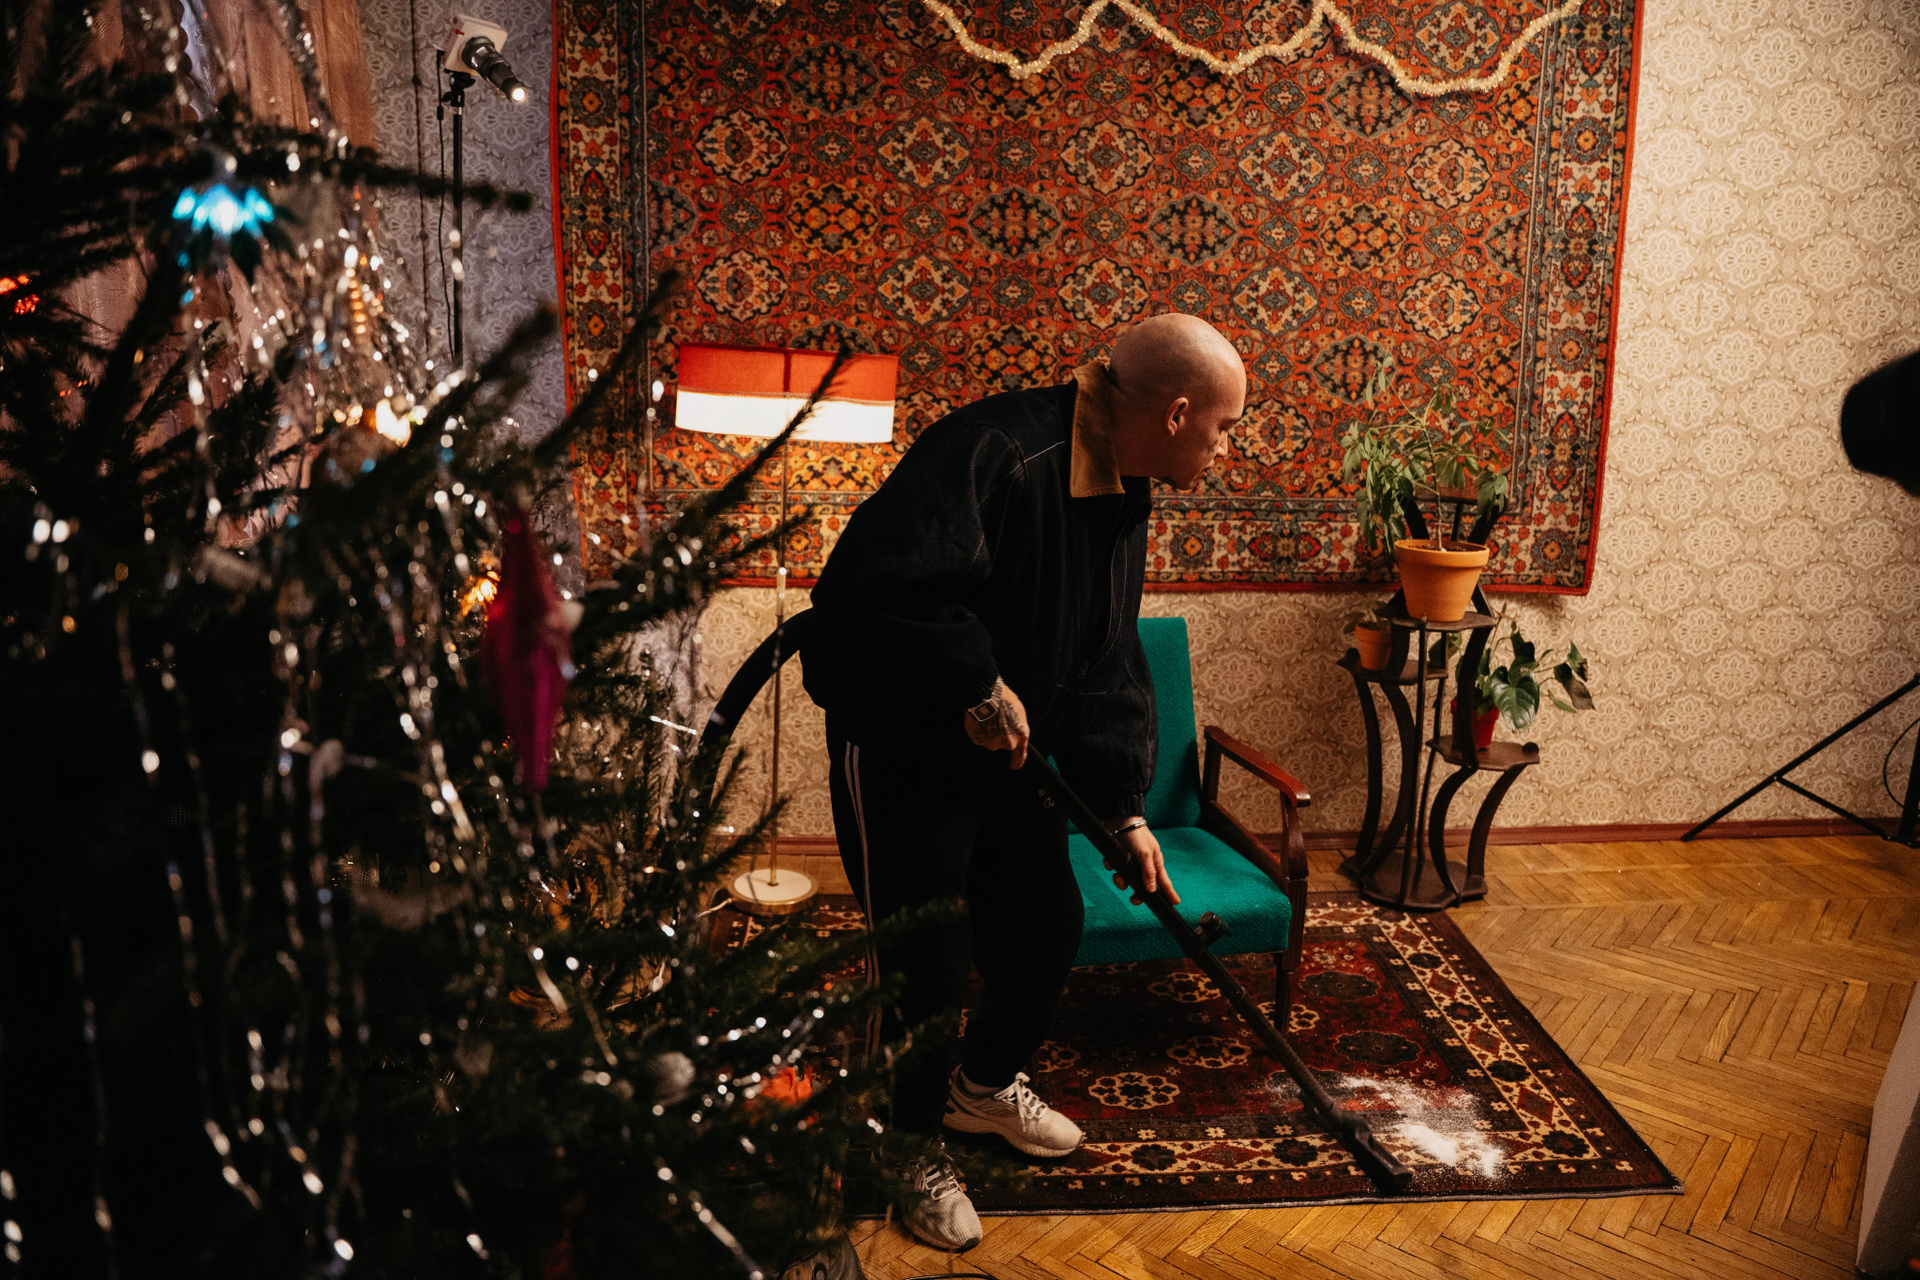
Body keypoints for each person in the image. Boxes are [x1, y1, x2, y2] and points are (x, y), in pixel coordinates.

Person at [800, 313, 1246, 1249]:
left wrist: (1123, 809)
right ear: (1176, 413)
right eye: (1224, 426)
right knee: (926, 962)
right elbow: (865, 592)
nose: (1225, 446)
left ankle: (982, 1087)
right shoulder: (998, 450)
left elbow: (1103, 654)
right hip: (906, 748)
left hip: (1011, 757)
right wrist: (974, 682)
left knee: (1045, 924)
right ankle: (906, 1145)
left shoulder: (1124, 482)